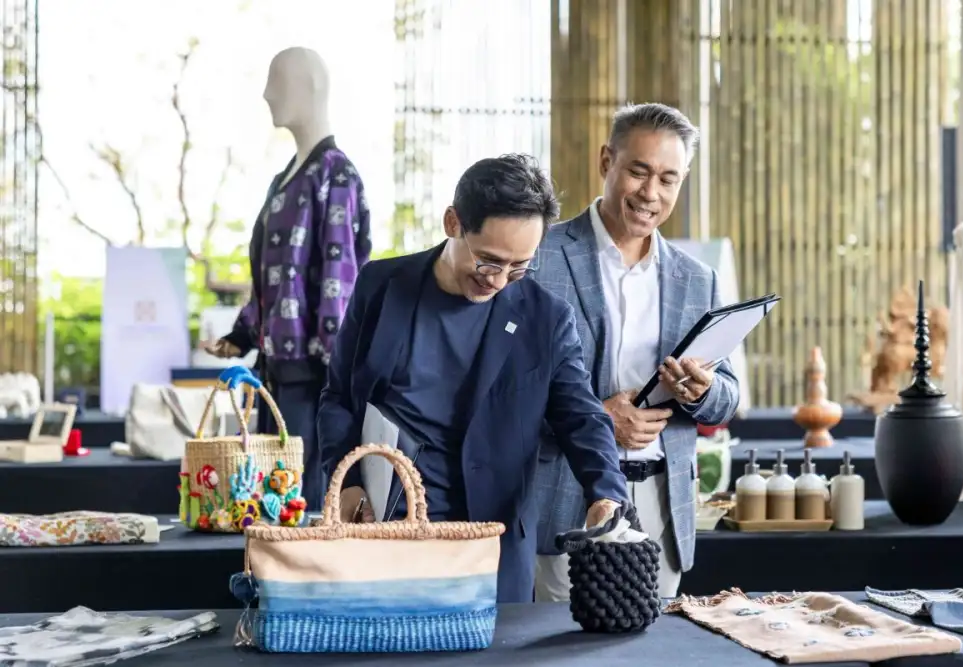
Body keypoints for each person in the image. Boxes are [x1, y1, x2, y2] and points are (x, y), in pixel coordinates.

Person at [317, 153, 629, 603]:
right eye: (488, 262)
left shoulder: (546, 319)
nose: (498, 281)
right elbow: (339, 399)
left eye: (518, 267)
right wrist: (346, 485)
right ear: (453, 223)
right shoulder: (381, 286)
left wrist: (605, 495)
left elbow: (581, 417)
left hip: (490, 545)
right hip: (384, 535)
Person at [533, 103, 740, 600]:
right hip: (565, 496)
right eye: (639, 171)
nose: (651, 193)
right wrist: (595, 420)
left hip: (661, 503)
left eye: (668, 179)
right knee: (563, 639)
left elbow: (727, 398)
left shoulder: (698, 279)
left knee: (655, 638)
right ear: (607, 161)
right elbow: (502, 393)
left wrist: (702, 391)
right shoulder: (539, 257)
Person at [202, 47, 371, 511]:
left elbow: (340, 281)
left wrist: (337, 376)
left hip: (314, 379)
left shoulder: (335, 174)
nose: (266, 94)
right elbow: (271, 277)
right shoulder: (284, 179)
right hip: (276, 371)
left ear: (310, 87)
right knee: (269, 497)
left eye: (277, 82)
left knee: (299, 501)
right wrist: (241, 336)